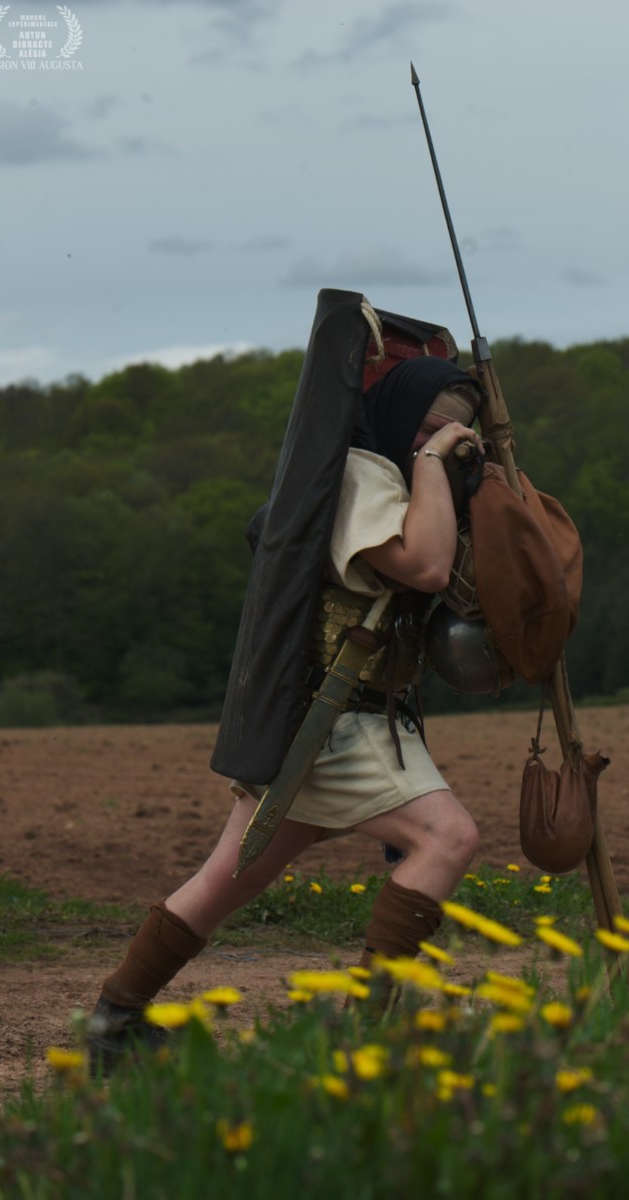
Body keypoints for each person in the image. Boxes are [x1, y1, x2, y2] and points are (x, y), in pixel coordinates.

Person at [87, 336, 486, 1069]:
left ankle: (116, 1021)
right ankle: (365, 1040)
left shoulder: (402, 480)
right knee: (447, 838)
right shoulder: (360, 475)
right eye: (428, 427)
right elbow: (426, 567)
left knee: (229, 876)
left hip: (342, 717)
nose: (436, 442)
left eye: (454, 431)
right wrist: (435, 462)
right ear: (400, 416)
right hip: (335, 716)